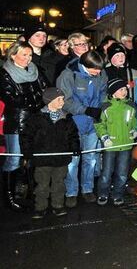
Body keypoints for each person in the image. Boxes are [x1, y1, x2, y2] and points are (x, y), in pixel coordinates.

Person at [56, 50, 108, 208]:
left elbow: (103, 93)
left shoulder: (100, 73)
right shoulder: (68, 75)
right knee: (73, 161)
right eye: (95, 70)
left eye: (100, 69)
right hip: (73, 124)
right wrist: (85, 110)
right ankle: (71, 192)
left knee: (90, 159)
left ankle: (87, 188)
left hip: (92, 124)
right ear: (84, 65)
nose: (98, 73)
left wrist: (102, 108)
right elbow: (64, 100)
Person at [0, 41, 47, 211]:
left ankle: (30, 192)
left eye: (30, 55)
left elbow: (45, 90)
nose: (28, 58)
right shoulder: (5, 74)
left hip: (36, 121)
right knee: (14, 160)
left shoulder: (35, 70)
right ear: (13, 56)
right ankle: (9, 197)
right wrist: (37, 103)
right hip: (17, 123)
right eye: (24, 55)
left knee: (32, 158)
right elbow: (12, 99)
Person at [21, 87, 79, 219]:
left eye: (63, 99)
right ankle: (40, 207)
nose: (62, 102)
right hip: (42, 160)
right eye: (59, 99)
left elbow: (73, 135)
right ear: (49, 100)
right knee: (42, 184)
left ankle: (58, 205)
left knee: (59, 183)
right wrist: (27, 152)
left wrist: (74, 147)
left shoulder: (66, 118)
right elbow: (26, 136)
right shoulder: (37, 118)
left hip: (60, 158)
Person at [95, 78, 137, 207]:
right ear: (113, 92)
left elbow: (134, 122)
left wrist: (134, 131)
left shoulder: (131, 106)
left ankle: (118, 194)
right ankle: (103, 193)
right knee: (106, 173)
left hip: (125, 145)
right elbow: (99, 124)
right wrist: (104, 138)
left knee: (122, 173)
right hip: (110, 146)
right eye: (121, 90)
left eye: (125, 89)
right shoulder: (105, 107)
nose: (124, 92)